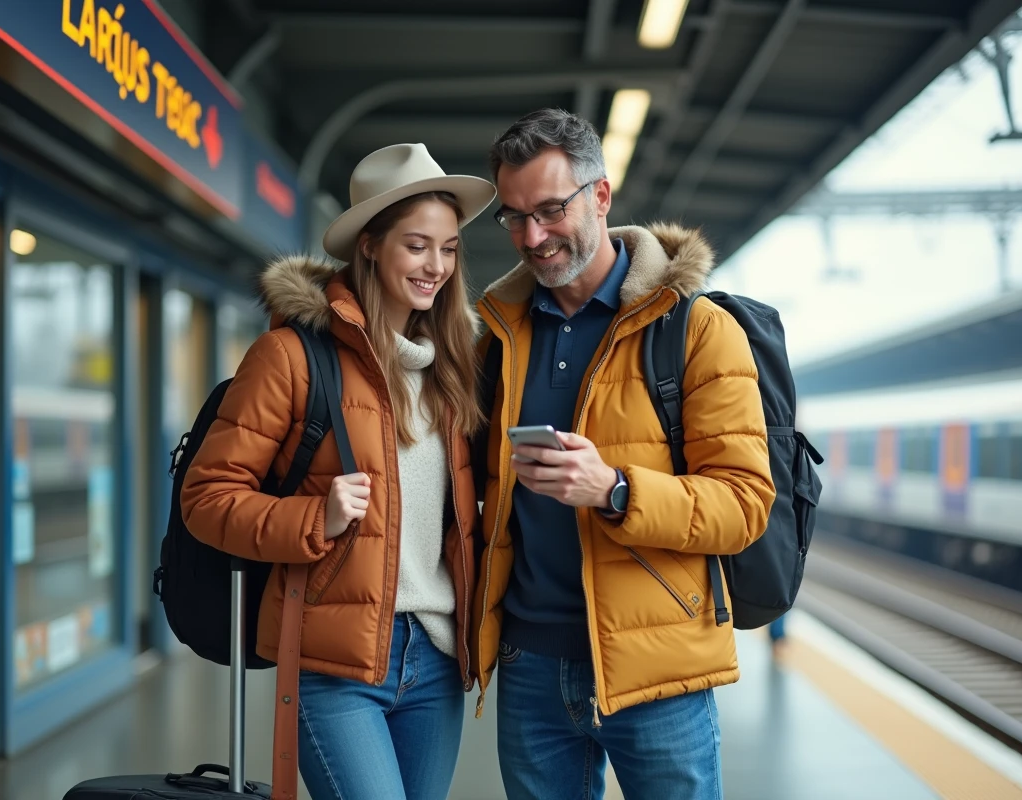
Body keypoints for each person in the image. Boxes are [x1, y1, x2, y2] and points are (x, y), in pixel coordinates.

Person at [471, 108, 777, 800]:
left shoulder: (696, 329)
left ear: (601, 196)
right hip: (529, 664)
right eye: (514, 217)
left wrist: (614, 489)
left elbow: (744, 505)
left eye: (551, 210)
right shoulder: (499, 338)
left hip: (658, 672)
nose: (532, 237)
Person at [181, 143, 495, 800]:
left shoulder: (454, 370)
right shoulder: (291, 356)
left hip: (436, 658)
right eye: (417, 246)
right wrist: (311, 516)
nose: (436, 267)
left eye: (448, 249)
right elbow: (205, 498)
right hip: (332, 665)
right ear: (371, 247)